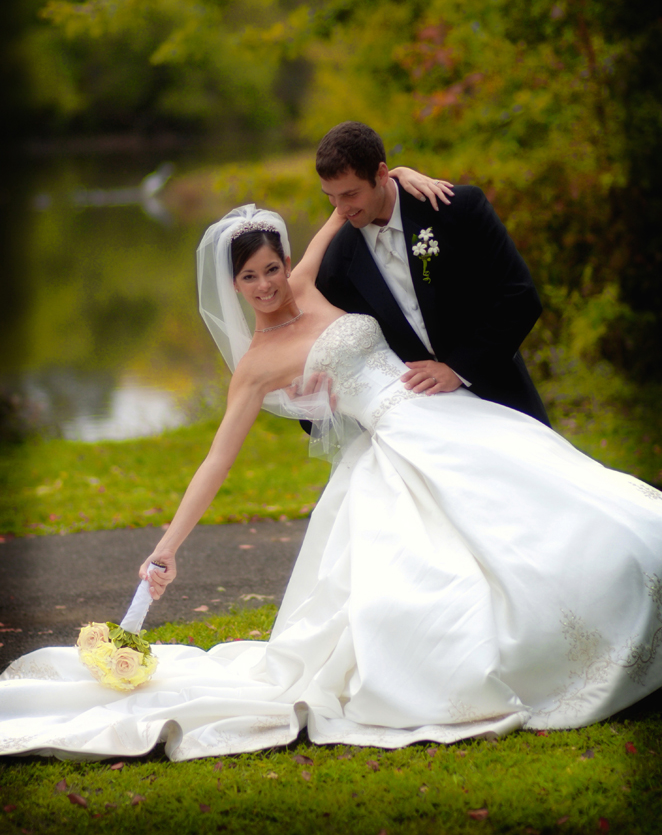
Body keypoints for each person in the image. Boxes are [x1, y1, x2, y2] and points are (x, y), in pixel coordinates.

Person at [1, 196, 662, 763]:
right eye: (251, 278)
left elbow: (343, 206)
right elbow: (216, 461)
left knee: (564, 503)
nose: (267, 285)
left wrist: (400, 180)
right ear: (233, 286)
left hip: (445, 414)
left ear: (286, 263)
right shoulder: (257, 365)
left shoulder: (311, 285)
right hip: (392, 446)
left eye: (272, 268)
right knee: (445, 577)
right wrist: (167, 547)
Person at [314, 121, 550, 425]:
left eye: (350, 194)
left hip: (504, 399)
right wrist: (311, 405)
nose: (341, 208)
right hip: (420, 425)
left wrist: (458, 369)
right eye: (330, 197)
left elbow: (519, 298)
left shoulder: (457, 210)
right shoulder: (337, 264)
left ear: (382, 173)